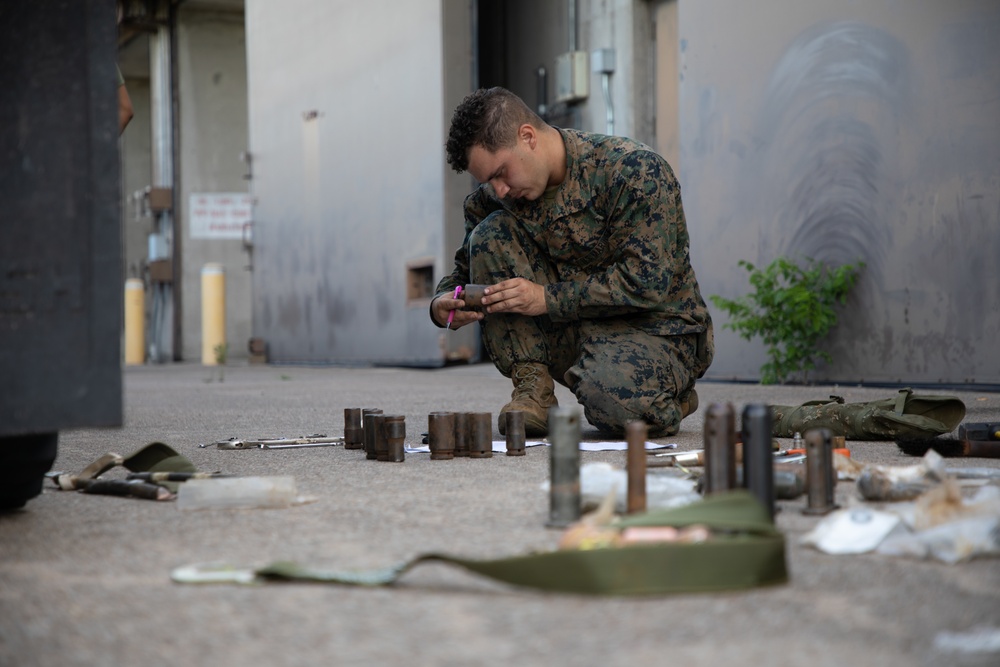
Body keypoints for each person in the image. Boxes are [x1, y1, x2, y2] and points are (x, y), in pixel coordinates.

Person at [430, 87, 714, 438]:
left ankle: (673, 396)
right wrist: (443, 303)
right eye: (489, 180)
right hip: (578, 329)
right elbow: (463, 272)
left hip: (656, 329)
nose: (499, 189)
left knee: (618, 410)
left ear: (528, 137)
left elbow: (645, 284)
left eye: (501, 172)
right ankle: (534, 392)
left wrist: (545, 298)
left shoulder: (633, 171)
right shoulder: (494, 202)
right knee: (490, 235)